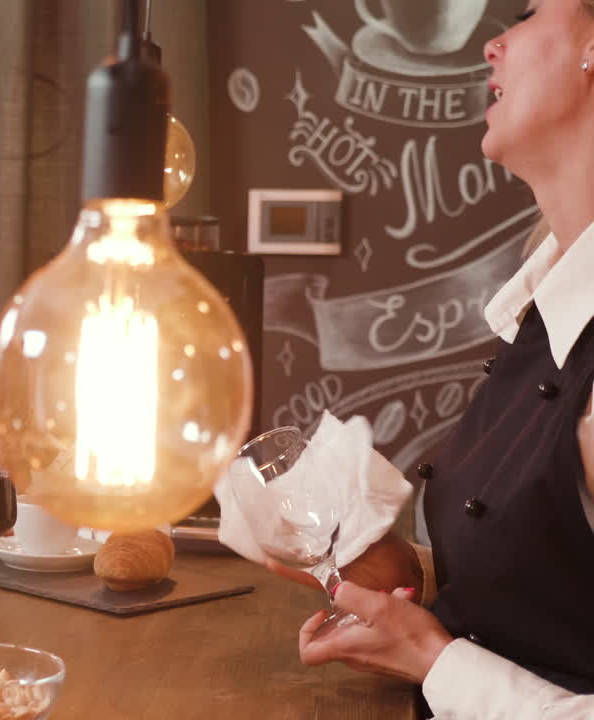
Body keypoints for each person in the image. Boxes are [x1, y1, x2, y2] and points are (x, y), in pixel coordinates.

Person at [273, 2, 594, 717]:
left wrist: (433, 661)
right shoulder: (543, 313)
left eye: (531, 11)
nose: (493, 46)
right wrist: (395, 578)